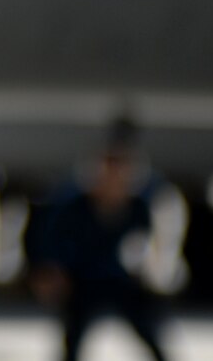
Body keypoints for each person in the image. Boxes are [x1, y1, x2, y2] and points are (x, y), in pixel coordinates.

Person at [28, 119, 176, 361]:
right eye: (108, 169)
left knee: (148, 328)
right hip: (83, 282)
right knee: (74, 335)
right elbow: (52, 244)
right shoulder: (75, 208)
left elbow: (150, 247)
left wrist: (154, 276)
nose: (113, 178)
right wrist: (52, 272)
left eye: (121, 171)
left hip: (119, 281)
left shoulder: (138, 208)